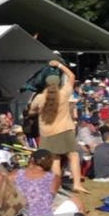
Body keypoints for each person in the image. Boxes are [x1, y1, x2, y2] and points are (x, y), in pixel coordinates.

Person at [32, 59, 83, 193]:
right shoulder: (64, 93)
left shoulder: (39, 98)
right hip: (65, 129)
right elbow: (72, 76)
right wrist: (59, 65)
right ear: (59, 82)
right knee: (73, 156)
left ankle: (57, 185)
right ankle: (77, 183)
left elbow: (31, 111)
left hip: (47, 132)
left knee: (55, 159)